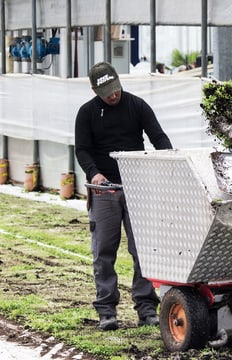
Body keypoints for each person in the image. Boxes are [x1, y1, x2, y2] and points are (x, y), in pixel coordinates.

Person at [74, 62, 173, 331]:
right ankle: (107, 310)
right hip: (104, 189)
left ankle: (146, 307)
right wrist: (94, 174)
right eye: (107, 92)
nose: (114, 95)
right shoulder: (87, 113)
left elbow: (158, 137)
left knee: (143, 249)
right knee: (104, 250)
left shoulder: (137, 106)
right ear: (95, 90)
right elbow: (82, 150)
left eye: (116, 88)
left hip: (137, 187)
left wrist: (168, 161)